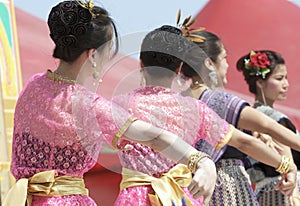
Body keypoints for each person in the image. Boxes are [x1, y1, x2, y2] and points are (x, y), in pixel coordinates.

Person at [2, 2, 222, 205]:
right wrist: (201, 160)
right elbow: (155, 136)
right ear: (93, 55)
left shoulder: (32, 87)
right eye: (108, 52)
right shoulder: (90, 106)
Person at [112, 25, 297, 206]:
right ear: (178, 69)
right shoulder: (194, 109)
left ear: (141, 65)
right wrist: (285, 165)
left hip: (134, 197)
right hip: (185, 197)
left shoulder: (120, 104)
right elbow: (244, 141)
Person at [180, 30, 300, 205]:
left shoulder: (177, 101)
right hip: (227, 188)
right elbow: (264, 129)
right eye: (224, 58)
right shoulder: (220, 100)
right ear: (209, 63)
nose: (227, 65)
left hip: (188, 189)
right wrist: (286, 166)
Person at [236, 50, 300, 206]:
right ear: (260, 82)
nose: (286, 84)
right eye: (279, 78)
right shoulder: (270, 117)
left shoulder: (249, 116)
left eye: (286, 78)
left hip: (265, 192)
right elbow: (287, 160)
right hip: (285, 191)